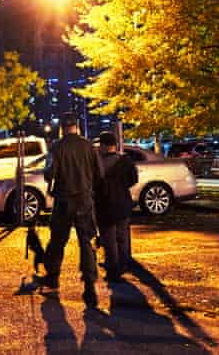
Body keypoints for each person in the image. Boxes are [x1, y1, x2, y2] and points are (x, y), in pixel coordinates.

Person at [42, 113, 103, 309]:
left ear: (62, 127)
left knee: (58, 240)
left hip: (63, 200)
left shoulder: (57, 147)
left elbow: (49, 173)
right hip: (84, 199)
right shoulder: (88, 146)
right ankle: (89, 286)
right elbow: (99, 173)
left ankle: (52, 277)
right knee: (86, 242)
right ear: (77, 126)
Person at [95, 131, 138, 282]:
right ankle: (124, 264)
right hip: (123, 203)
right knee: (122, 236)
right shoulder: (125, 160)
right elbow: (133, 179)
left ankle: (113, 269)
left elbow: (94, 183)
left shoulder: (98, 162)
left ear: (105, 146)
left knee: (109, 239)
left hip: (104, 204)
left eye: (100, 145)